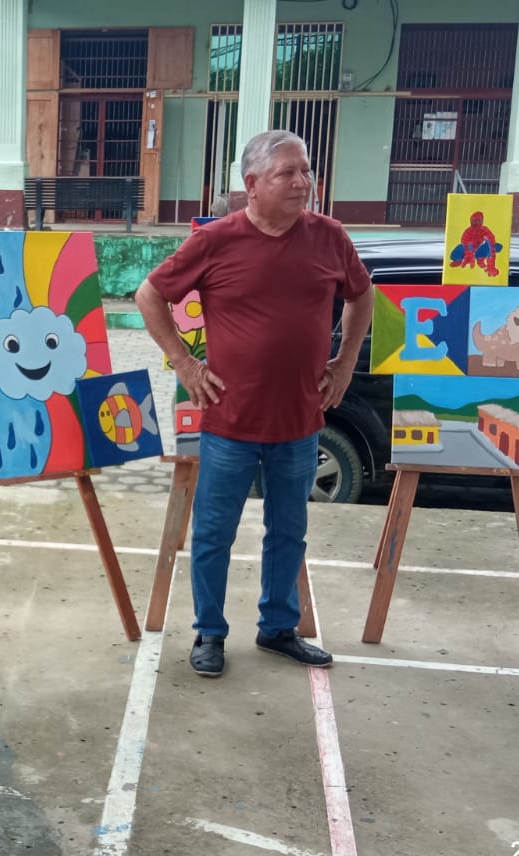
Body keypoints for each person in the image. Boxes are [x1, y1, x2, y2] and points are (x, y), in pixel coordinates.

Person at [134, 129, 374, 678]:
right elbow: (150, 295)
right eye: (287, 172)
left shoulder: (329, 237)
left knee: (288, 531)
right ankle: (209, 632)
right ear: (252, 184)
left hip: (300, 422)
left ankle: (278, 628)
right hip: (230, 422)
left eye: (306, 170)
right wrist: (185, 364)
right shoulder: (216, 241)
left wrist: (344, 363)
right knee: (214, 533)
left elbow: (362, 295)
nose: (302, 182)